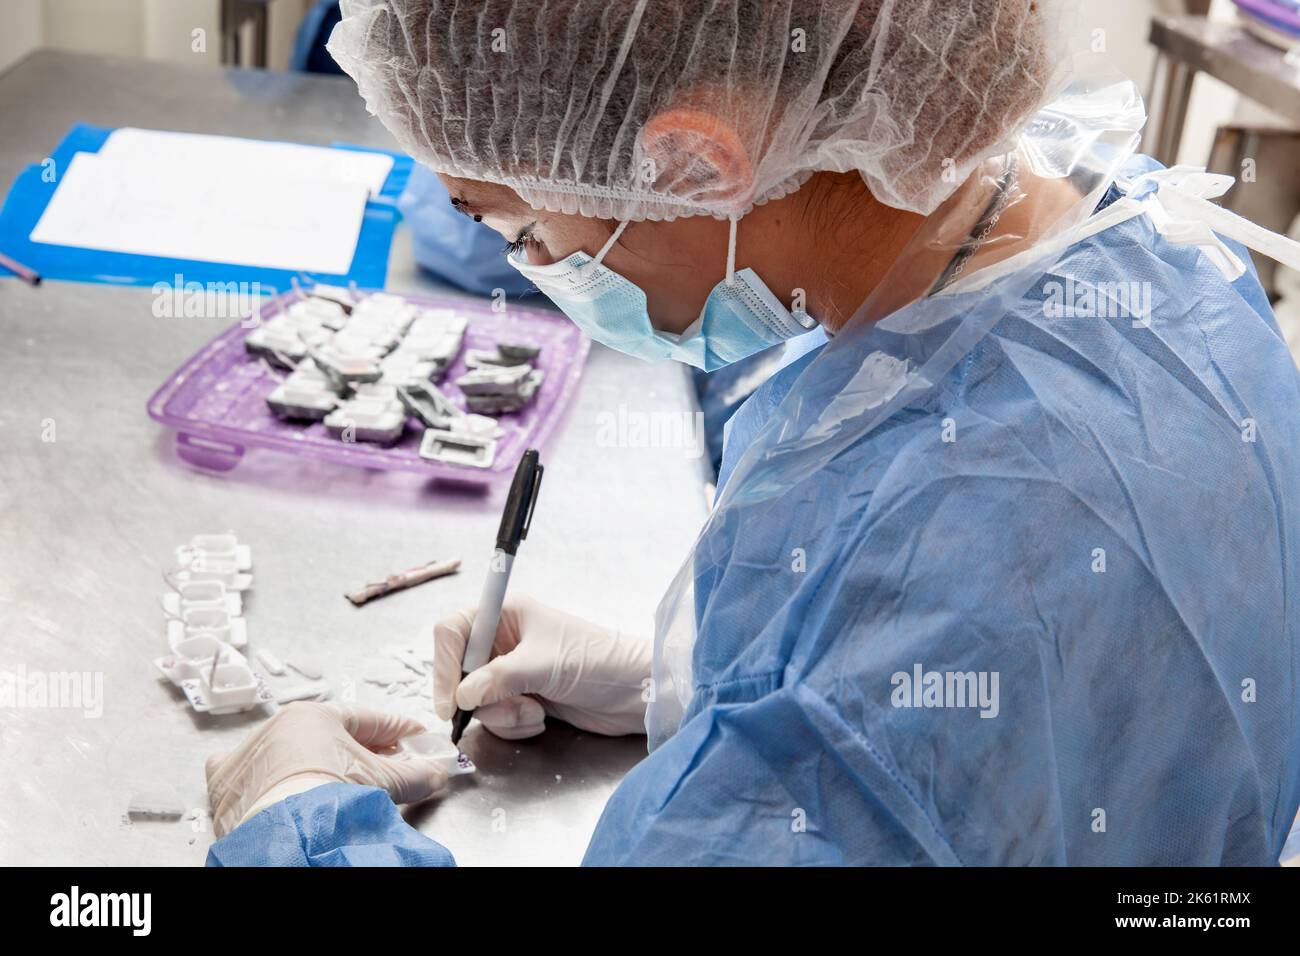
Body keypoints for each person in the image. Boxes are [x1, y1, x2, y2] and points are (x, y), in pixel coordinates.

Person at [206, 0, 1300, 866]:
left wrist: (295, 816)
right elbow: (1066, 722)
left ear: (693, 162)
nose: (536, 268)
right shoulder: (1131, 249)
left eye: (527, 226)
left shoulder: (942, 577)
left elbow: (931, 681)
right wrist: (688, 685)